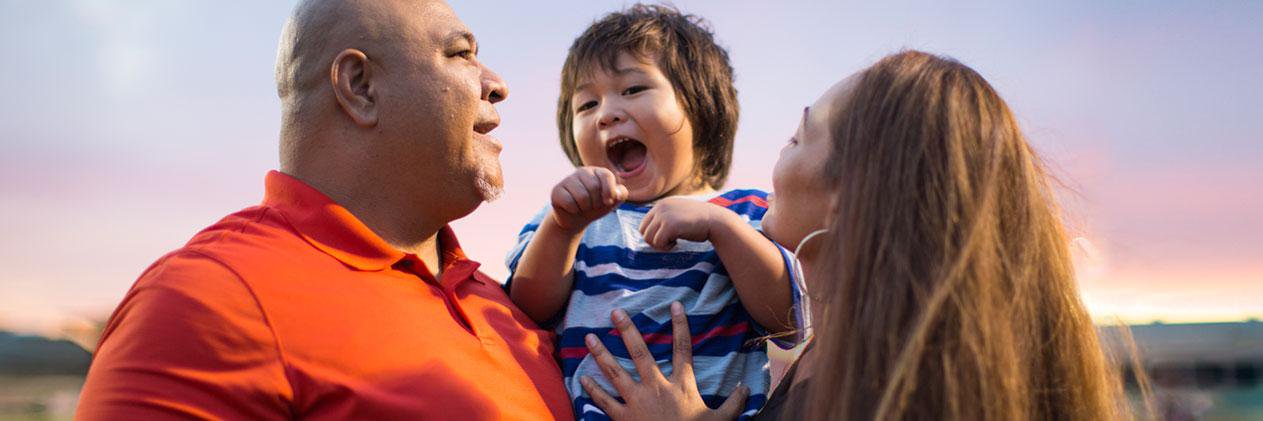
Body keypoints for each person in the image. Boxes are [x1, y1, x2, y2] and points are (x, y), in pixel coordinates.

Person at [76, 0, 572, 419]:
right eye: (461, 54)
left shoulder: (512, 304)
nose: (497, 84)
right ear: (360, 86)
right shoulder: (209, 301)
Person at [579, 50, 1133, 420]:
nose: (779, 155)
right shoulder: (865, 355)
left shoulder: (889, 389)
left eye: (799, 138)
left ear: (852, 196)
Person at [505, 5, 798, 420]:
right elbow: (527, 309)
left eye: (633, 89)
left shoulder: (744, 214)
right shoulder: (570, 222)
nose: (606, 114)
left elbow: (787, 317)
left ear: (699, 105)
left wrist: (719, 227)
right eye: (586, 105)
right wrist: (562, 227)